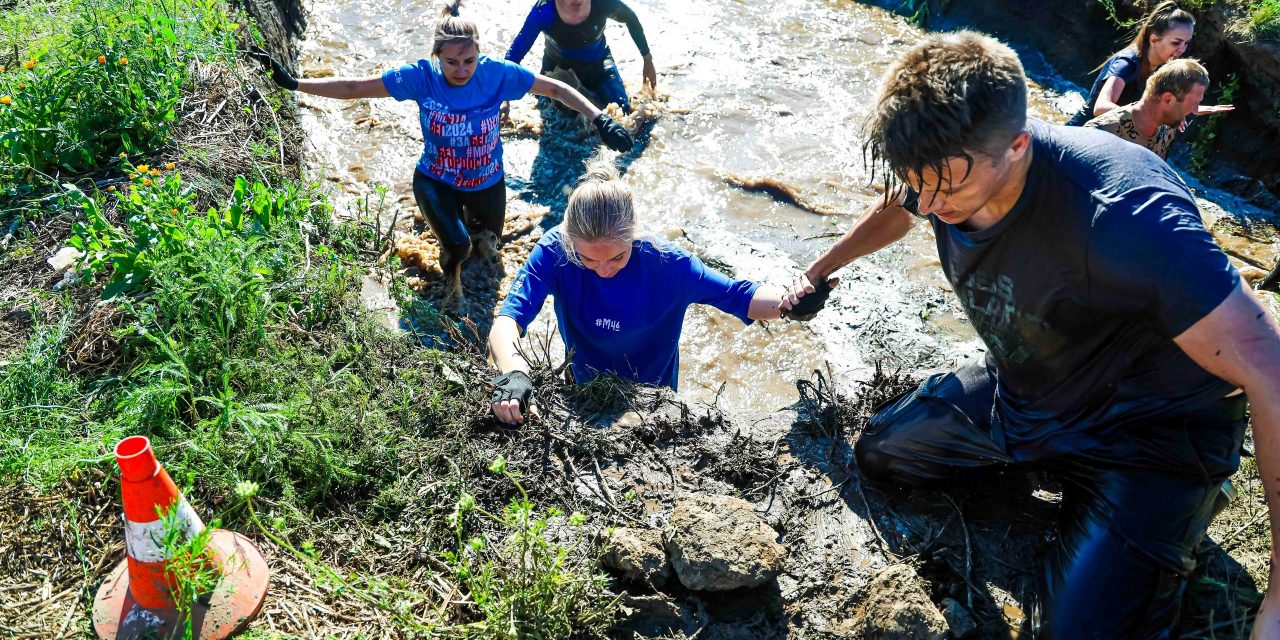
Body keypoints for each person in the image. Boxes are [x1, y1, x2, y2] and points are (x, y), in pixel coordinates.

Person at [782, 31, 1280, 638]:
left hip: (1150, 434)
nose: (933, 207)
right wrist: (816, 272)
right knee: (881, 456)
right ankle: (1068, 486)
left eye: (951, 189)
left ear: (1017, 145)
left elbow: (1271, 371)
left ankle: (1162, 515)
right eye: (921, 184)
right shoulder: (943, 161)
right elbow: (902, 204)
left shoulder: (1125, 216)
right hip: (1029, 388)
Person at [249, 1, 634, 301]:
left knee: (488, 249)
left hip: (487, 182)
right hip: (436, 180)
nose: (461, 69)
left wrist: (600, 118)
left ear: (479, 54)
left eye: (468, 60)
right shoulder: (421, 78)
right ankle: (451, 295)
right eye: (452, 62)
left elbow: (555, 88)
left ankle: (473, 288)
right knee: (459, 246)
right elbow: (355, 89)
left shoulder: (496, 73)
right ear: (437, 56)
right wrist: (295, 84)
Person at [489, 155, 785, 425]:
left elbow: (740, 297)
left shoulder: (669, 264)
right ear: (570, 241)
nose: (603, 270)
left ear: (633, 232)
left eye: (617, 257)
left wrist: (790, 303)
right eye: (588, 259)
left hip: (655, 404)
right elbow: (507, 322)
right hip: (585, 392)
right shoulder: (555, 251)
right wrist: (514, 374)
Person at [1066, 1, 1208, 126]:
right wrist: (1148, 116)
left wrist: (1182, 110)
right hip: (1077, 135)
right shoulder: (1127, 63)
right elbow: (1101, 107)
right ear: (1153, 40)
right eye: (1176, 42)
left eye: (1186, 43)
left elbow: (1154, 105)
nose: (1182, 49)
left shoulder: (1161, 67)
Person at [504, 0, 655, 116]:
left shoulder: (603, 3)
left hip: (599, 65)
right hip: (556, 70)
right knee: (558, 123)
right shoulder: (544, 11)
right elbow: (515, 54)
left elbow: (631, 19)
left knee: (623, 111)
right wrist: (504, 98)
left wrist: (647, 60)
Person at [1084, 58, 1231, 160]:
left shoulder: (1167, 130)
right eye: (1193, 103)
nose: (1194, 110)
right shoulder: (1101, 131)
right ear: (1168, 99)